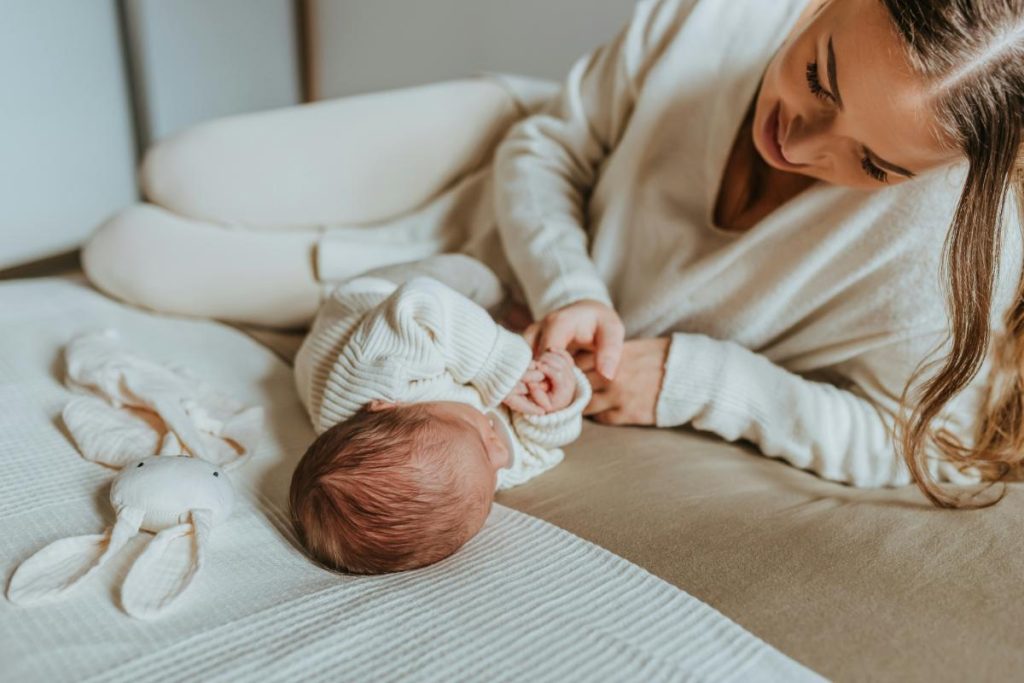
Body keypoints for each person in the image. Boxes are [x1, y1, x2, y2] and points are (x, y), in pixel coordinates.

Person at [82, 0, 1024, 508]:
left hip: (458, 294)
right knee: (180, 165)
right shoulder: (720, 19)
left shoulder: (944, 257)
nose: (803, 144)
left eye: (873, 162)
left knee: (126, 253)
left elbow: (918, 445)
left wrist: (696, 381)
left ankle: (363, 259)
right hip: (502, 153)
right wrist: (569, 282)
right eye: (818, 73)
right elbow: (546, 147)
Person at [288, 255, 590, 573]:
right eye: (492, 486)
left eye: (483, 443)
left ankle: (503, 302)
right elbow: (537, 452)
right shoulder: (469, 479)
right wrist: (553, 409)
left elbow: (420, 302)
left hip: (367, 302)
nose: (501, 455)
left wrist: (502, 364)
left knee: (474, 277)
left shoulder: (378, 373)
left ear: (389, 407)